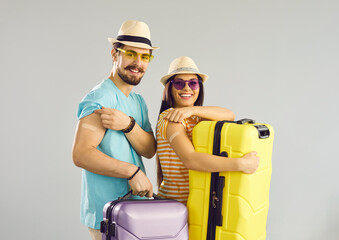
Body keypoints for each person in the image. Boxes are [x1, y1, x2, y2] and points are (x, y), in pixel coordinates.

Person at [72, 20, 159, 240]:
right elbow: (81, 153)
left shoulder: (138, 101)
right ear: (114, 54)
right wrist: (132, 171)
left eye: (145, 56)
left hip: (134, 210)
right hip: (108, 213)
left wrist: (128, 125)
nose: (138, 63)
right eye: (131, 54)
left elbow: (149, 149)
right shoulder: (101, 98)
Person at [156, 56, 260, 204]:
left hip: (197, 205)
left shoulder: (196, 117)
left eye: (193, 83)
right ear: (169, 88)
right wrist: (240, 164)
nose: (187, 88)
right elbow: (190, 160)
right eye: (179, 83)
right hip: (176, 206)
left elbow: (229, 115)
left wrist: (191, 110)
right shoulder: (170, 118)